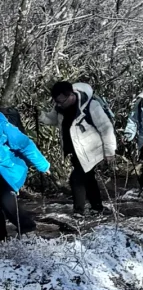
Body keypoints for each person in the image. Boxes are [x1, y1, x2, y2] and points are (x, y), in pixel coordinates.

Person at [45, 80, 117, 218]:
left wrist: (109, 151)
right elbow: (51, 120)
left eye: (62, 101)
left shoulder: (91, 105)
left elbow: (106, 127)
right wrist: (40, 115)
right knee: (88, 179)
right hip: (75, 151)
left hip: (91, 150)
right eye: (57, 102)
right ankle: (97, 207)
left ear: (71, 95)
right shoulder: (60, 108)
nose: (59, 104)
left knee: (76, 179)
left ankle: (79, 212)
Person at [0, 111, 48, 240]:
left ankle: (28, 229)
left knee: (6, 199)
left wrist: (43, 165)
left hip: (6, 170)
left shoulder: (2, 123)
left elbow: (24, 144)